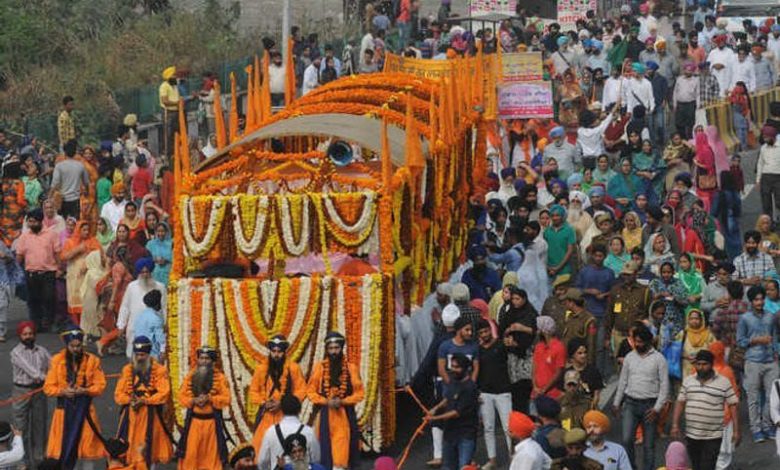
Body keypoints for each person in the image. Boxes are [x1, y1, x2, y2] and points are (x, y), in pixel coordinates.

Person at [43, 327, 106, 468]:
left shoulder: (93, 360)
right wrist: (63, 391)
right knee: (64, 450)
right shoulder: (56, 360)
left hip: (85, 413)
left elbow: (100, 386)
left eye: (78, 346)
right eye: (72, 346)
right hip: (62, 412)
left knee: (87, 451)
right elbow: (48, 387)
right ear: (67, 345)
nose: (76, 349)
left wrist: (85, 390)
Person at [671, 350, 739, 470]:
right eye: (698, 364)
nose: (701, 367)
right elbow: (680, 402)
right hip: (692, 434)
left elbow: (733, 405)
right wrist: (675, 425)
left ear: (711, 364)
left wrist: (736, 431)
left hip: (713, 435)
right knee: (696, 465)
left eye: (704, 364)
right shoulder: (688, 381)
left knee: (707, 466)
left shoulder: (723, 382)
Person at [613, 324, 668, 470]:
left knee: (649, 445)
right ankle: (631, 467)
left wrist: (657, 409)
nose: (638, 344)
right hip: (630, 404)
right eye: (636, 341)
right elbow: (622, 382)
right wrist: (616, 403)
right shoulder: (629, 357)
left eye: (641, 342)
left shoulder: (659, 359)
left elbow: (664, 387)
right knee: (626, 440)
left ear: (649, 342)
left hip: (650, 406)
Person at [306, 332, 364, 470]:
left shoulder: (351, 368)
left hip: (346, 414)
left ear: (341, 348)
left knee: (345, 449)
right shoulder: (320, 368)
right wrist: (326, 402)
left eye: (336, 348)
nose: (333, 352)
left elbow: (360, 393)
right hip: (326, 414)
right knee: (325, 449)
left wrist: (343, 401)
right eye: (330, 348)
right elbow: (310, 392)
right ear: (327, 349)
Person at [114, 336, 173, 467]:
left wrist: (146, 401)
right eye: (137, 354)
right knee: (128, 447)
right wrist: (130, 400)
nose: (140, 358)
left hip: (150, 415)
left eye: (143, 355)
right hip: (131, 415)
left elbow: (164, 393)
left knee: (150, 449)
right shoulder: (127, 370)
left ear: (148, 354)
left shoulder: (159, 370)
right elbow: (118, 394)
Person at [249, 335, 308, 455]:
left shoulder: (293, 368)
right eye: (273, 351)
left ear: (284, 352)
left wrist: (283, 403)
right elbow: (253, 391)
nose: (276, 355)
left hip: (286, 416)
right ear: (270, 351)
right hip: (266, 414)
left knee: (287, 449)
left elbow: (301, 391)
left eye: (279, 352)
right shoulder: (261, 369)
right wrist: (264, 403)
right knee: (261, 449)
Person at [177, 346, 232, 469]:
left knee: (211, 457)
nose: (204, 361)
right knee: (191, 456)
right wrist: (193, 400)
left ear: (212, 361)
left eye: (207, 358)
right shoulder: (191, 376)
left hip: (212, 424)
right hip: (194, 424)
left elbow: (227, 399)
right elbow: (181, 397)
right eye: (201, 358)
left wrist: (210, 399)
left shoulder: (221, 378)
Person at [737, 285, 778, 442]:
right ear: (751, 301)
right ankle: (756, 429)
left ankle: (768, 426)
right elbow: (740, 341)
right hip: (752, 361)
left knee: (771, 397)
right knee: (753, 397)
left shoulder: (770, 316)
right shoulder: (745, 318)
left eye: (762, 299)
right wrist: (756, 340)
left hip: (770, 361)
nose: (759, 302)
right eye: (756, 299)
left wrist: (776, 355)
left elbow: (774, 337)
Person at [426, 353, 480, 470]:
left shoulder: (470, 388)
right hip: (450, 433)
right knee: (447, 466)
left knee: (463, 466)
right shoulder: (454, 381)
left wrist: (435, 419)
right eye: (452, 366)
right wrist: (435, 409)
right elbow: (448, 398)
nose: (453, 370)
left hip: (465, 434)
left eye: (457, 367)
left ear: (466, 369)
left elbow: (456, 412)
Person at [11, 321, 50, 468]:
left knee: (40, 425)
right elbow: (32, 372)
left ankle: (40, 458)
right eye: (25, 334)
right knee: (21, 428)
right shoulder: (16, 352)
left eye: (31, 334)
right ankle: (22, 461)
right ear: (20, 335)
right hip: (21, 391)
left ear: (35, 335)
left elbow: (53, 365)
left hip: (39, 391)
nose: (28, 336)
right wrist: (51, 379)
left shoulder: (42, 351)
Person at [16, 208, 60, 332]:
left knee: (49, 298)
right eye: (29, 222)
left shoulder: (51, 234)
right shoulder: (24, 236)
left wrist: (60, 268)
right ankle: (36, 324)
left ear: (40, 221)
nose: (31, 224)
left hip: (48, 273)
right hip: (31, 273)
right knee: (33, 300)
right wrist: (16, 272)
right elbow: (19, 256)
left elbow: (57, 253)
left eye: (34, 222)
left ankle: (50, 322)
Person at [475, 319, 511, 470]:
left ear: (490, 330)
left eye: (486, 331)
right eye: (481, 333)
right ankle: (492, 459)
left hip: (503, 392)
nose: (484, 335)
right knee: (488, 427)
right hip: (485, 393)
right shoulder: (478, 350)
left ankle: (513, 456)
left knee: (508, 427)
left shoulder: (501, 345)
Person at [117, 257, 166, 358]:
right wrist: (121, 325)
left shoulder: (160, 287)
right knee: (133, 356)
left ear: (151, 272)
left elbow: (165, 307)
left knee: (154, 356)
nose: (145, 275)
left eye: (147, 272)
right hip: (134, 327)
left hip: (154, 328)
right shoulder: (132, 287)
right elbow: (125, 307)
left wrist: (165, 324)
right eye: (142, 272)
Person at [257, 395, 319, 470]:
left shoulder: (271, 431)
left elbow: (262, 461)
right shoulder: (309, 432)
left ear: (282, 410)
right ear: (300, 410)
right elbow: (316, 459)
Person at [61, 221, 101, 325]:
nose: (87, 232)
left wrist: (87, 264)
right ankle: (76, 326)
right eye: (84, 230)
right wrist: (77, 250)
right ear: (78, 230)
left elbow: (99, 257)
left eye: (88, 230)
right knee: (74, 301)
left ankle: (88, 327)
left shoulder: (93, 241)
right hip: (74, 276)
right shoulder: (70, 242)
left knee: (88, 300)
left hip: (88, 275)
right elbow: (63, 257)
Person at [606, 261, 650, 354]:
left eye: (629, 274)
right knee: (618, 364)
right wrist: (607, 336)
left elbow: (648, 313)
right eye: (624, 274)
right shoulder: (615, 290)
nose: (626, 277)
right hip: (618, 334)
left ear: (635, 274)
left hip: (636, 337)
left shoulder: (644, 291)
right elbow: (610, 314)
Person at [50, 140, 89, 220]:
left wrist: (49, 196)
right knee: (75, 223)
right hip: (75, 200)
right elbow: (86, 182)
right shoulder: (80, 166)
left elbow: (55, 184)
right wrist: (87, 193)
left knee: (62, 223)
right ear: (75, 152)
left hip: (62, 200)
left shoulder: (59, 166)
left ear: (64, 152)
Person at [649, 262, 689, 338]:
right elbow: (649, 298)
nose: (666, 275)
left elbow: (686, 302)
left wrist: (675, 298)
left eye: (669, 272)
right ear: (660, 273)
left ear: (673, 272)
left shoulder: (678, 283)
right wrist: (660, 294)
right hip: (659, 320)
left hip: (676, 321)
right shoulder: (655, 283)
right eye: (664, 272)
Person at [564, 338, 604, 409]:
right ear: (572, 354)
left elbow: (597, 394)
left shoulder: (593, 371)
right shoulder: (567, 372)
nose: (583, 356)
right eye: (579, 353)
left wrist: (592, 406)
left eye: (585, 352)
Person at [437, 316, 479, 384]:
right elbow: (441, 369)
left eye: (471, 330)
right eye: (467, 330)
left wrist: (471, 384)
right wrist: (450, 384)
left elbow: (476, 368)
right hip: (450, 387)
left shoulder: (473, 346)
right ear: (459, 330)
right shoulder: (445, 346)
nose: (470, 333)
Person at [532, 316, 566, 401]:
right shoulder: (539, 346)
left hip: (552, 394)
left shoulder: (559, 347)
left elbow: (558, 372)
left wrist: (544, 389)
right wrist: (535, 386)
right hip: (536, 393)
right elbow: (534, 368)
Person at [561, 288, 597, 366]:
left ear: (572, 303)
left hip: (580, 362)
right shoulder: (569, 316)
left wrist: (589, 365)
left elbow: (591, 345)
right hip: (567, 360)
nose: (565, 303)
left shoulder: (589, 320)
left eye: (566, 301)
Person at [676, 309, 715, 378]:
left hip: (703, 368)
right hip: (686, 366)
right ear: (688, 320)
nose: (694, 321)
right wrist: (686, 356)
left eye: (696, 318)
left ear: (701, 319)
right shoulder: (683, 334)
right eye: (691, 319)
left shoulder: (709, 334)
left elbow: (714, 350)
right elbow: (676, 351)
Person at [130, 290, 166, 360]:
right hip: (152, 354)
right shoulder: (156, 319)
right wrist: (163, 351)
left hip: (138, 352)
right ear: (158, 304)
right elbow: (161, 339)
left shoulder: (140, 316)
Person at [757, 125, 780, 222]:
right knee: (766, 204)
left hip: (778, 177)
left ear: (773, 137)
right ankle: (769, 224)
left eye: (767, 138)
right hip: (766, 177)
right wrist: (758, 180)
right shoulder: (763, 148)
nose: (765, 140)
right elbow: (760, 163)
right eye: (764, 138)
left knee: (779, 202)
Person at [159, 66, 180, 158]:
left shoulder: (174, 86)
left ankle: (176, 151)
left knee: (176, 133)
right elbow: (165, 101)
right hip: (168, 112)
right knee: (168, 134)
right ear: (169, 77)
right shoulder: (164, 86)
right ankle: (167, 154)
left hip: (176, 112)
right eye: (174, 75)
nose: (176, 77)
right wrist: (176, 103)